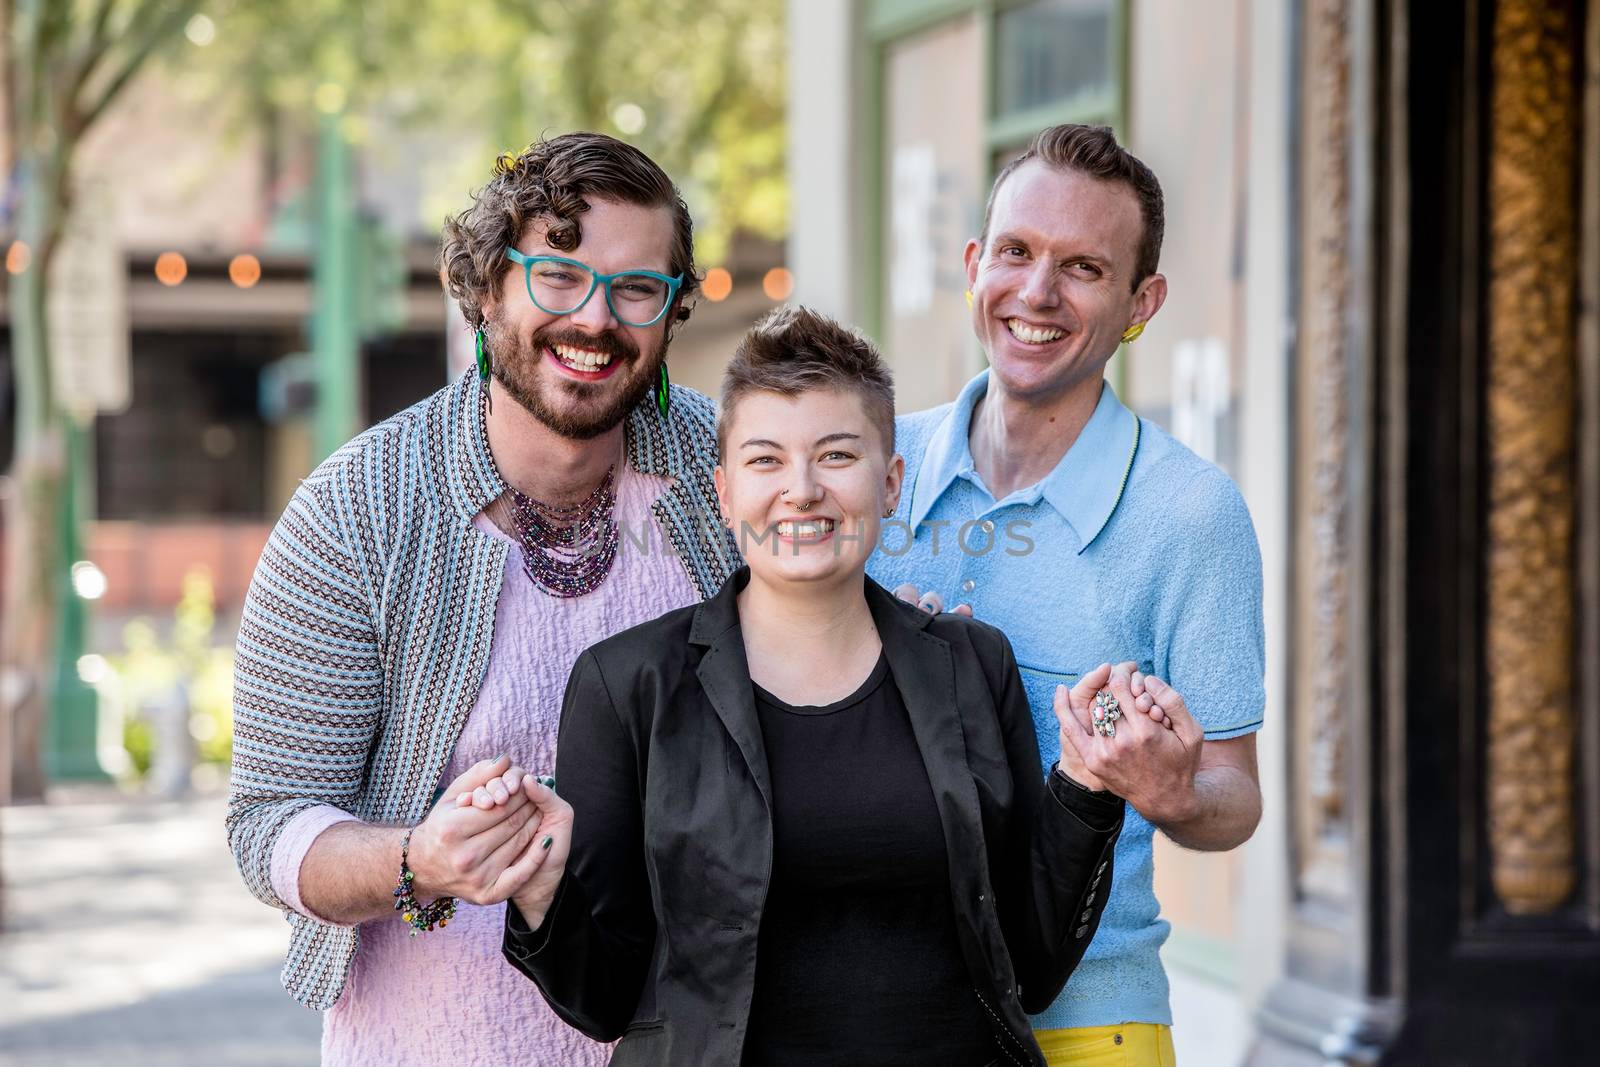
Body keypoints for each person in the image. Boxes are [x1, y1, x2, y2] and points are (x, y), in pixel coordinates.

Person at [492, 306, 1190, 1067]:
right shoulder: (629, 686)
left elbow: (1029, 964)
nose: (801, 489)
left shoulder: (970, 666)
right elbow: (603, 999)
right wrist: (539, 888)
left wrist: (1086, 782)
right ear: (724, 493)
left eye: (835, 455)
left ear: (889, 483)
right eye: (765, 460)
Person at [224, 132, 738, 1064]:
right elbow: (270, 820)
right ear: (488, 286)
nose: (594, 319)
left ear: (669, 315)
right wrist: (420, 859)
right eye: (557, 276)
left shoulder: (727, 473)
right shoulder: (359, 509)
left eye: (635, 289)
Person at [869, 124, 1266, 1065]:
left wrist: (1169, 788)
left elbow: (1235, 798)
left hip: (1090, 1022)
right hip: (882, 1009)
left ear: (1142, 302)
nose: (1037, 293)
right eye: (1016, 252)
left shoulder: (1191, 514)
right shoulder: (872, 470)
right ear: (974, 265)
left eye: (1084, 266)